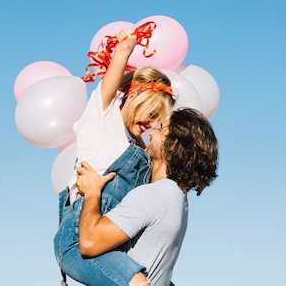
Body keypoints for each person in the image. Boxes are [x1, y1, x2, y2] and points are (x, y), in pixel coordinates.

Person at [54, 31, 176, 286]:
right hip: (78, 240)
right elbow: (121, 54)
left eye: (157, 121)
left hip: (110, 243)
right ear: (134, 96)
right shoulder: (102, 118)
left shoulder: (140, 148)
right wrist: (129, 41)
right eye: (151, 114)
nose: (152, 125)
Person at [75, 107, 219, 286]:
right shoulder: (176, 197)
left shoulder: (154, 195)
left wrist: (92, 192)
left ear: (172, 144)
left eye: (160, 128)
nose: (151, 132)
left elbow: (89, 242)